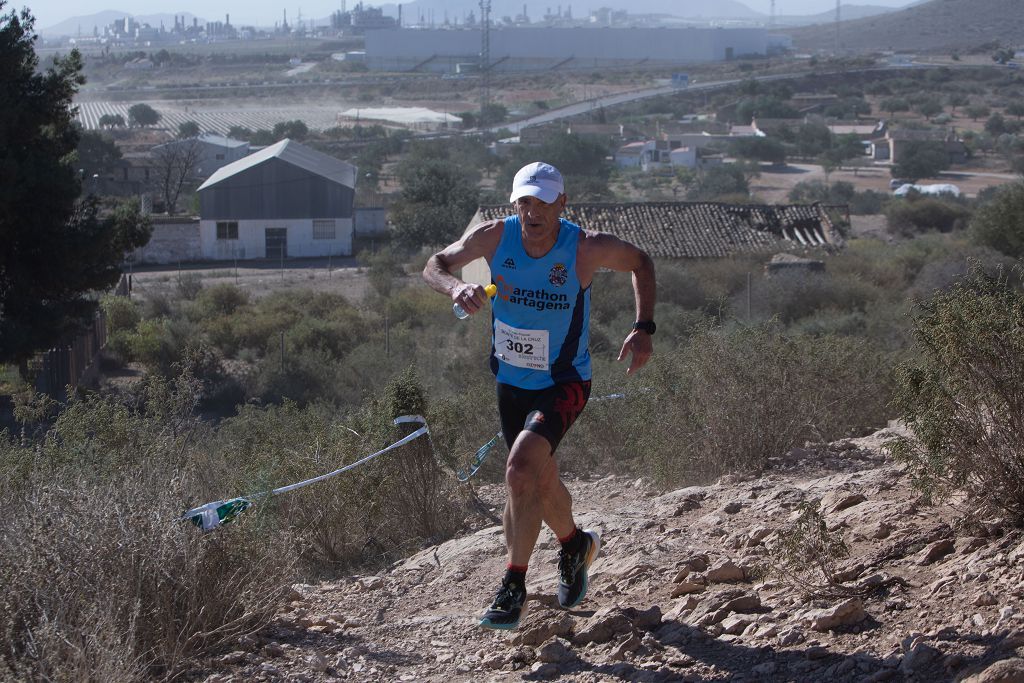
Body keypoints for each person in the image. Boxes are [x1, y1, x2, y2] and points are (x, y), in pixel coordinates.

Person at [422, 161, 656, 630]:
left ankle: (513, 586)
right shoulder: (494, 237)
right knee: (537, 480)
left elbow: (641, 263)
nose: (533, 212)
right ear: (515, 204)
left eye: (544, 201)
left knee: (519, 469)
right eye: (525, 201)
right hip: (510, 382)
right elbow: (436, 264)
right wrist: (456, 287)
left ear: (562, 204)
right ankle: (575, 546)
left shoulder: (585, 248)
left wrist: (643, 327)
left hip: (564, 382)